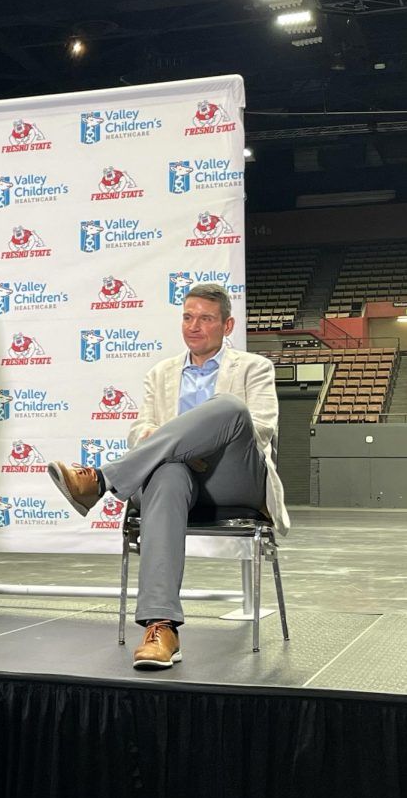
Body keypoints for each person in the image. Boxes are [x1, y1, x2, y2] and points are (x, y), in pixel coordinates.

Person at [46, 283, 288, 670]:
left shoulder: (254, 367)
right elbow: (140, 427)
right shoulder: (161, 373)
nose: (194, 326)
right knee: (169, 474)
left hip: (233, 477)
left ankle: (101, 481)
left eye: (206, 318)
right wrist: (166, 446)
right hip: (176, 481)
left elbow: (260, 430)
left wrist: (185, 441)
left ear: (227, 325)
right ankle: (162, 628)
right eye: (188, 316)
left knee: (228, 407)